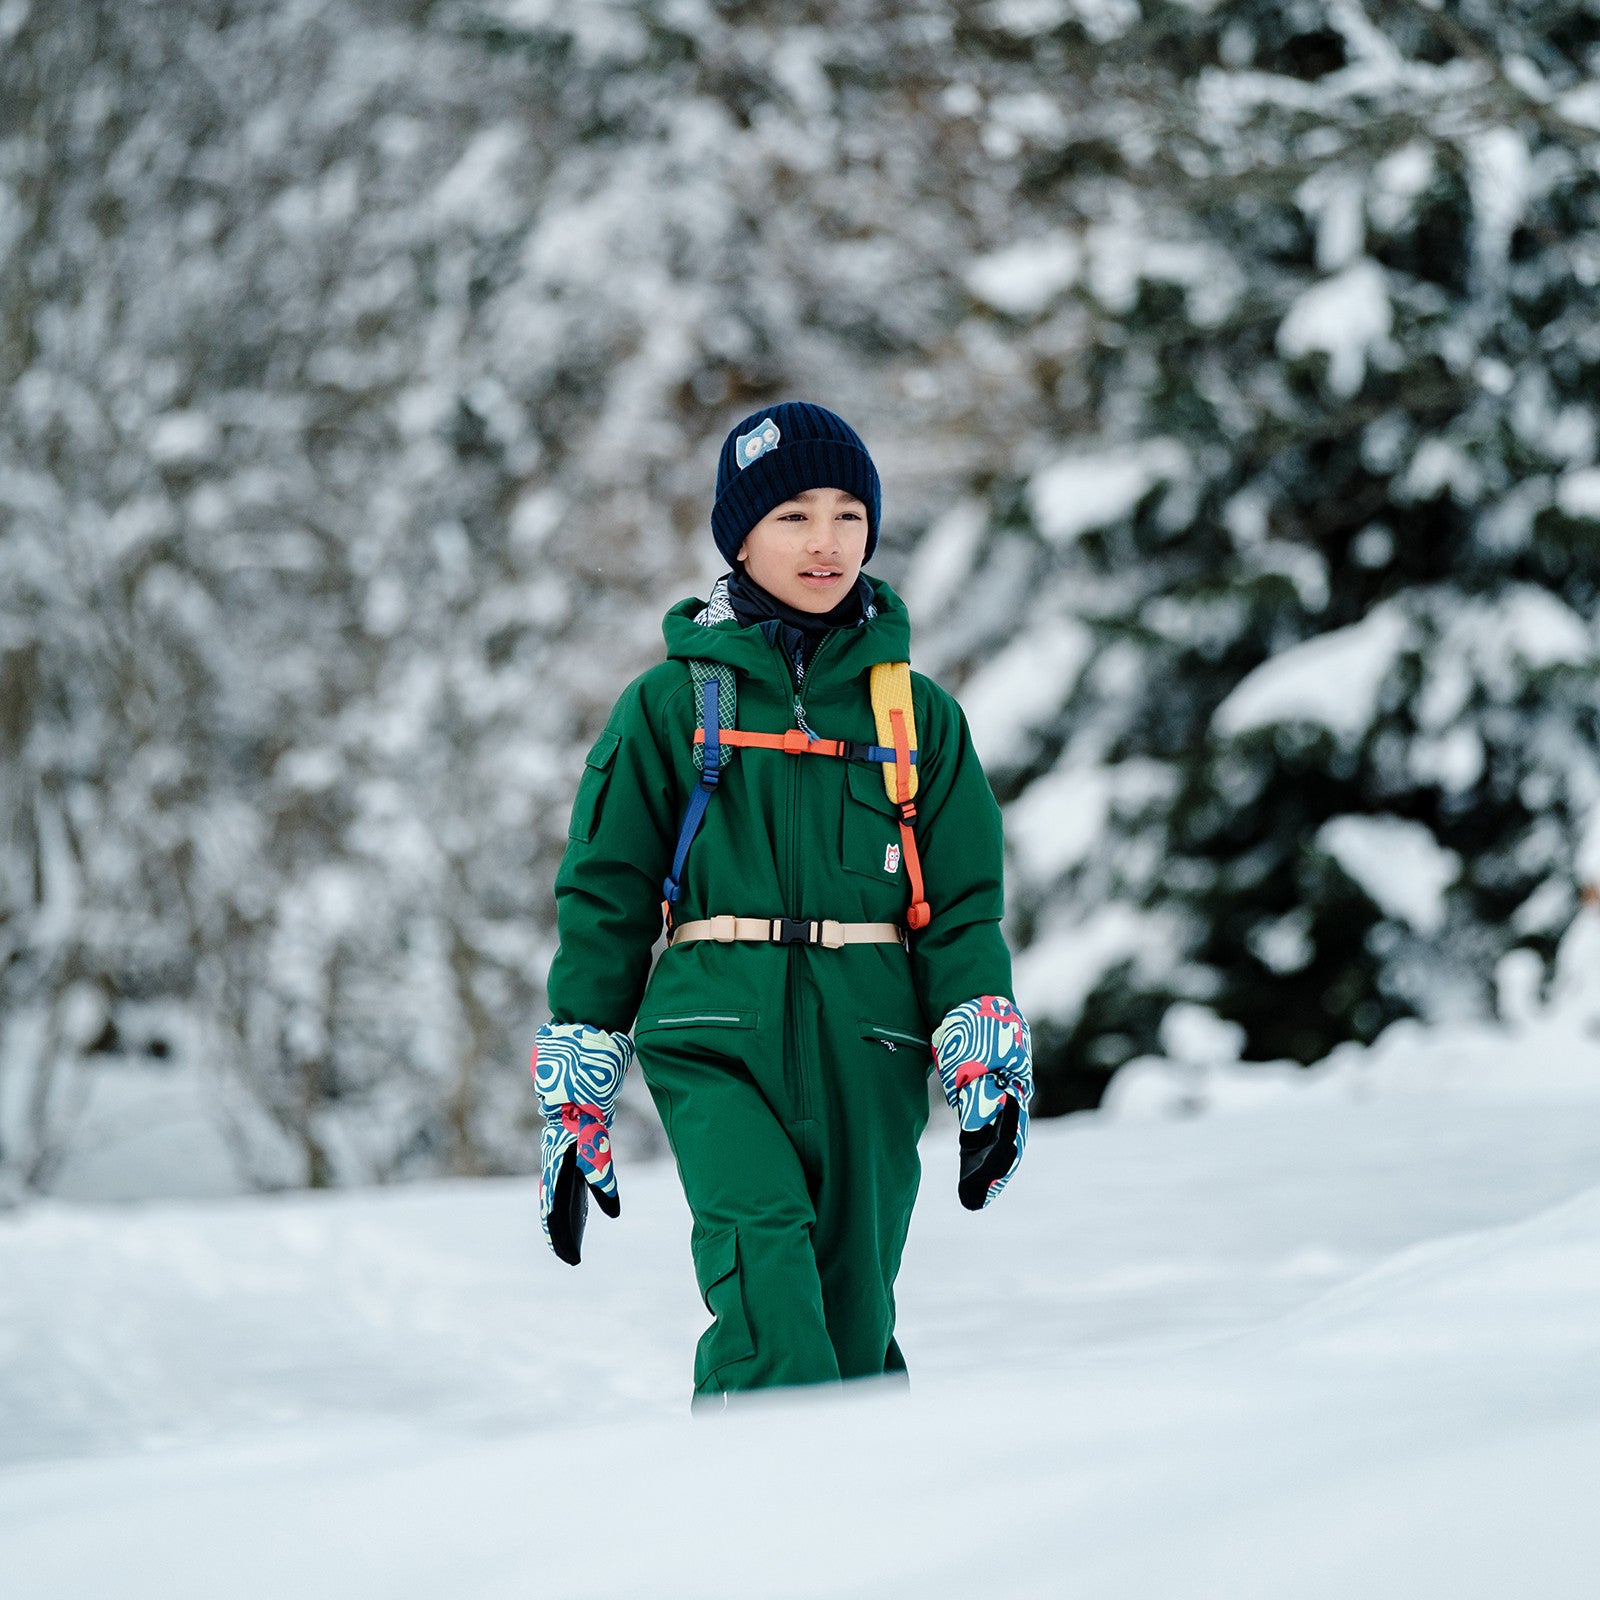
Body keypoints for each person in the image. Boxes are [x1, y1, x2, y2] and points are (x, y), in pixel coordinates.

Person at [531, 401, 1034, 1400]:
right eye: (794, 515)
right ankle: (753, 1524)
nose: (825, 541)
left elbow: (963, 906)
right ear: (741, 534)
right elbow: (607, 891)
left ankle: (872, 1534)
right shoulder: (673, 705)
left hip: (873, 1043)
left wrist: (980, 1040)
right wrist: (579, 1073)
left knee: (854, 1322)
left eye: (849, 514)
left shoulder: (914, 715)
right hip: (714, 1032)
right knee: (766, 1282)